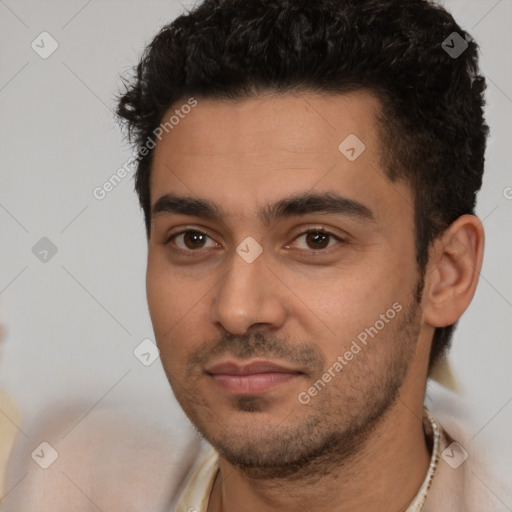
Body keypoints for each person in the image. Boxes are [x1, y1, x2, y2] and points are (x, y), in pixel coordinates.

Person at [3, 0, 509, 510]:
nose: (237, 310)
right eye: (194, 239)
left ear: (448, 274)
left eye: (316, 239)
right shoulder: (59, 479)